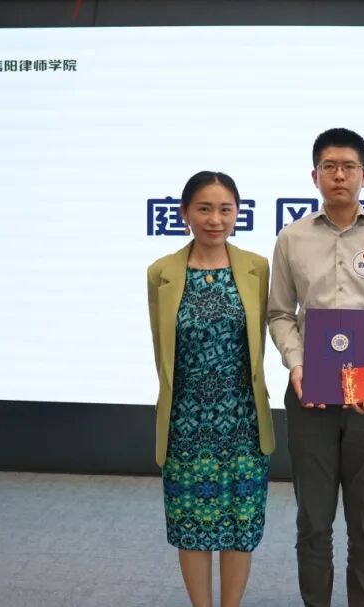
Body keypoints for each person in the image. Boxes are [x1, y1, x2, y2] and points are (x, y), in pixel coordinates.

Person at [268, 128, 364, 607]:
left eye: (349, 167)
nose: (339, 175)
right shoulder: (291, 238)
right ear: (314, 176)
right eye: (329, 166)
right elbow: (280, 313)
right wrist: (296, 364)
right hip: (309, 393)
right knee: (313, 520)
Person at [146, 171, 274, 607]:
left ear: (237, 213)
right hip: (186, 423)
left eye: (225, 209)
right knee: (191, 526)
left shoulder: (256, 268)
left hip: (242, 421)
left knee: (240, 526)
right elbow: (162, 351)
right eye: (204, 208)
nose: (215, 219)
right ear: (184, 213)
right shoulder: (161, 272)